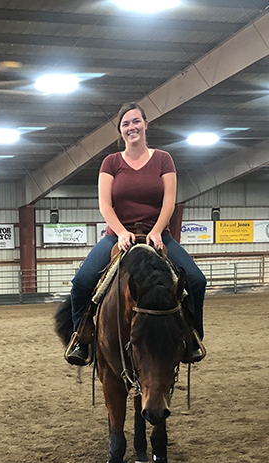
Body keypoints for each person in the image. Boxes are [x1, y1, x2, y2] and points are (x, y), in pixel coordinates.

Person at [66, 102, 206, 366]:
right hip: (116, 237)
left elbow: (169, 201)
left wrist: (156, 231)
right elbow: (105, 205)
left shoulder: (164, 159)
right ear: (120, 131)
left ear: (145, 123)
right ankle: (81, 338)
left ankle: (193, 337)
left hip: (158, 235)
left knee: (197, 281)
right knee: (82, 283)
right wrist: (120, 232)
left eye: (135, 121)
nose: (132, 127)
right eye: (125, 124)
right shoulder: (111, 162)